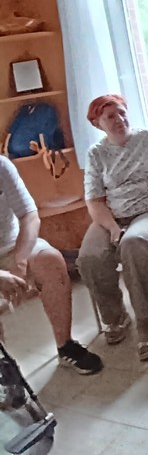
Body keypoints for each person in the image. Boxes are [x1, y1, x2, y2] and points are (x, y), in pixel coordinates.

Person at [77, 95, 148, 362]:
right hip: (112, 216)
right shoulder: (96, 153)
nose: (119, 120)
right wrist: (112, 227)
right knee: (90, 257)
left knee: (133, 243)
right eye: (110, 117)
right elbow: (94, 200)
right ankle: (115, 317)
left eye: (122, 113)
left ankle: (145, 322)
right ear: (98, 123)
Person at [0, 157, 102, 374]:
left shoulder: (1, 165)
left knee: (51, 261)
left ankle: (66, 345)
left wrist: (20, 261)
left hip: (12, 245)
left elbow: (29, 216)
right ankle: (3, 366)